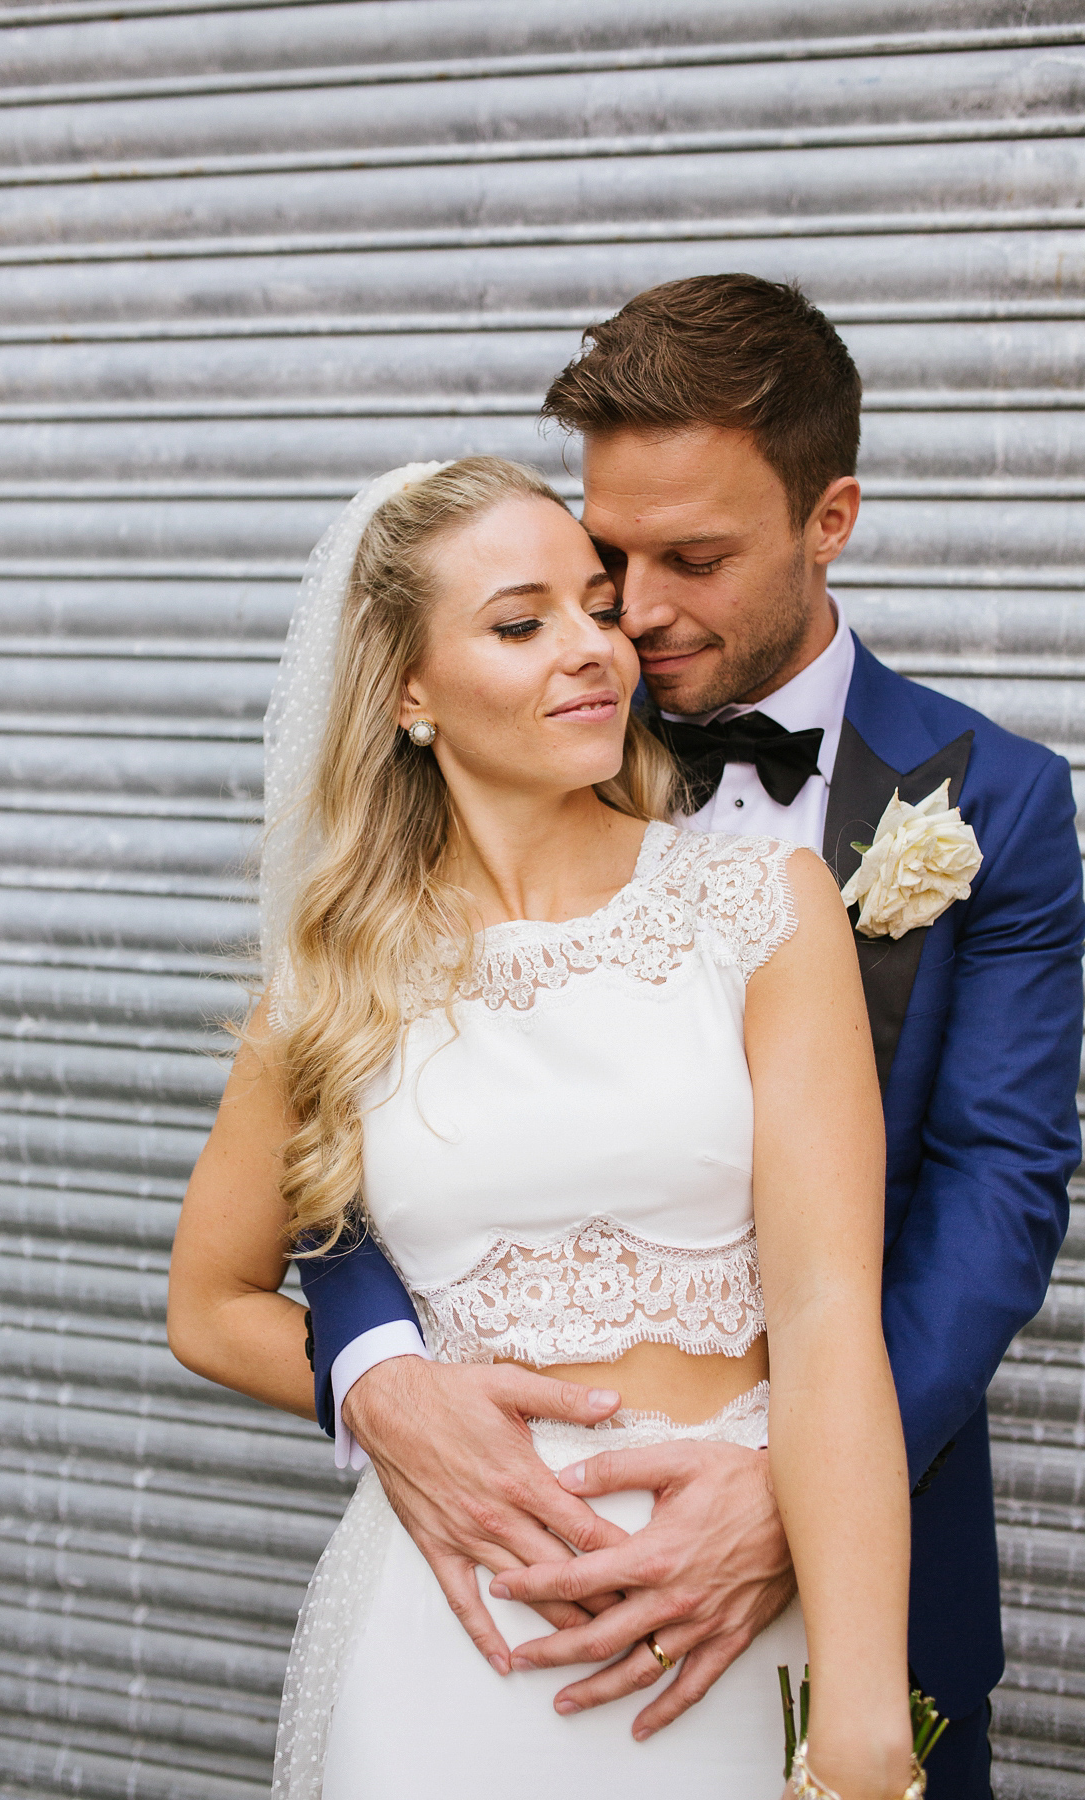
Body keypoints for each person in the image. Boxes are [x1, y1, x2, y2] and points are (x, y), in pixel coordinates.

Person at [289, 278, 1085, 1800]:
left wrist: (788, 1487)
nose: (632, 615)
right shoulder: (526, 725)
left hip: (866, 1550)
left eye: (694, 560)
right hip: (510, 1590)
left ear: (829, 517)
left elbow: (999, 1197)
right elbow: (359, 1127)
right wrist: (377, 1367)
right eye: (608, 557)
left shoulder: (1002, 806)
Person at [168, 454, 918, 1798]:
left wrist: (861, 1724)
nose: (593, 650)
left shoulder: (758, 908)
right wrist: (382, 1388)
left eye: (593, 604)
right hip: (457, 1644)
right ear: (405, 689)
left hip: (724, 1619)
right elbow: (210, 1301)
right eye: (522, 625)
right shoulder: (337, 973)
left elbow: (824, 1318)